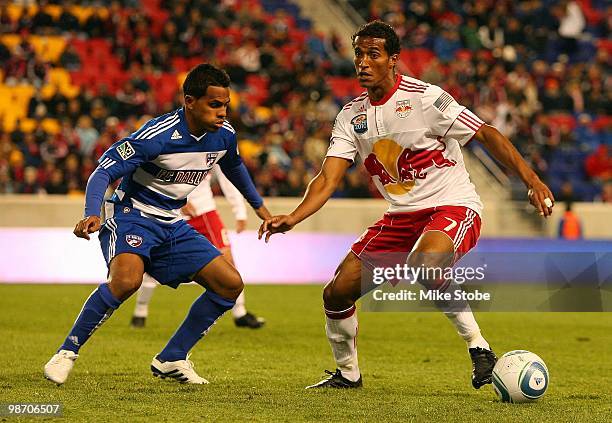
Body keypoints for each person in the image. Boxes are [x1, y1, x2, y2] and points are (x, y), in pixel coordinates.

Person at [259, 21, 555, 389]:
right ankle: (348, 375)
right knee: (336, 292)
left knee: (427, 264)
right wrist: (295, 217)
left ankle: (480, 349)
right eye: (359, 54)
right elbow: (327, 178)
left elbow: (485, 133)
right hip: (400, 217)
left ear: (393, 59)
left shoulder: (425, 98)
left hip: (452, 205)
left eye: (373, 54)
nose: (363, 62)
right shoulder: (351, 116)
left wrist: (532, 180)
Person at [44, 63, 271, 385]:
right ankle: (66, 352)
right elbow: (103, 172)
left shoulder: (225, 136)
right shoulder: (158, 136)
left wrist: (260, 208)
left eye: (225, 105)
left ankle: (172, 358)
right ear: (189, 101)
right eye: (214, 104)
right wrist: (92, 212)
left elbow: (235, 168)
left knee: (230, 284)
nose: (223, 112)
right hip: (132, 215)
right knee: (126, 281)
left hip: (172, 222)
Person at [130, 164, 265, 329]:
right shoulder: (170, 142)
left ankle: (240, 313)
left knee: (227, 260)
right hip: (169, 212)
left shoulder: (218, 142)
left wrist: (240, 211)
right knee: (153, 263)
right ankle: (140, 311)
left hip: (204, 212)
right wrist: (176, 200)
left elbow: (229, 175)